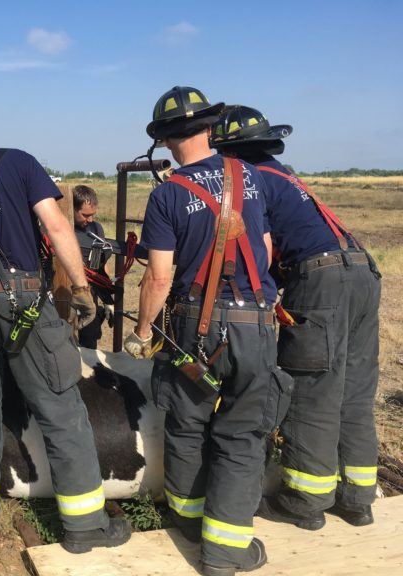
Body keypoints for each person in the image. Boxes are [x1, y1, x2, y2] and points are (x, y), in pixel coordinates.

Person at [0, 121, 131, 553]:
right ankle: (84, 526)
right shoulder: (17, 161)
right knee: (60, 404)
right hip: (20, 297)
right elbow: (57, 227)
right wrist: (80, 286)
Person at [124, 87, 288, 575]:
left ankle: (191, 525)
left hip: (197, 329)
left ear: (167, 139)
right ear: (210, 127)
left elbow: (158, 277)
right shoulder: (252, 178)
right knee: (243, 436)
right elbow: (264, 246)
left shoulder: (169, 193)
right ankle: (226, 551)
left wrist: (143, 328)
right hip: (255, 322)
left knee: (188, 425)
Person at [211, 105, 382, 530]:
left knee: (312, 388)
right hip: (362, 271)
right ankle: (357, 499)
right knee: (354, 389)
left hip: (322, 279)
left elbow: (264, 251)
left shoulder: (251, 181)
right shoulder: (283, 173)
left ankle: (307, 499)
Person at [72, 185, 114, 348]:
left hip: (90, 294)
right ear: (72, 208)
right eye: (85, 215)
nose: (89, 220)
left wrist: (107, 299)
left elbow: (100, 265)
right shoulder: (62, 228)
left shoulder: (96, 228)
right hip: (65, 295)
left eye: (92, 215)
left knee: (89, 341)